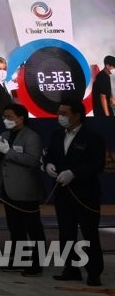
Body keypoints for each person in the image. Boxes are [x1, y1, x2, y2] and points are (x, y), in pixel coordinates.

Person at [45, 100, 105, 286]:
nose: (60, 117)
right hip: (63, 193)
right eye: (59, 113)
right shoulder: (56, 135)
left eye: (64, 113)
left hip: (85, 194)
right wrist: (48, 165)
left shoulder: (92, 137)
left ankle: (94, 271)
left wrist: (74, 173)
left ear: (77, 115)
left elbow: (97, 165)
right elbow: (50, 155)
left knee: (89, 233)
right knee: (66, 232)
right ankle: (70, 269)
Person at [0, 103, 47, 276]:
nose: (5, 120)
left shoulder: (31, 137)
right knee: (15, 228)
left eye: (9, 117)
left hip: (26, 190)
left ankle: (37, 263)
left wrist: (8, 151)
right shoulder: (5, 134)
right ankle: (19, 260)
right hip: (8, 189)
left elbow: (32, 161)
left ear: (20, 118)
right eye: (4, 117)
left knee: (33, 228)